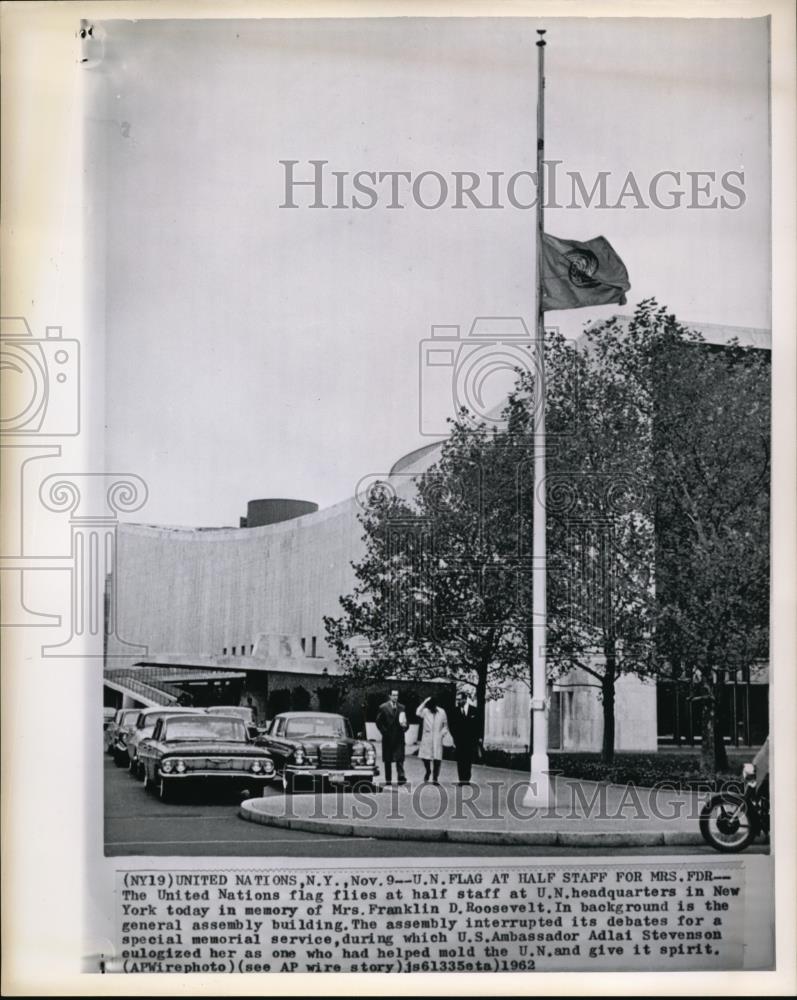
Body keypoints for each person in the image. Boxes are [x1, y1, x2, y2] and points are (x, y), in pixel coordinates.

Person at [375, 688, 408, 785]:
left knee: (399, 758)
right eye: (393, 695)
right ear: (389, 696)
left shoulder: (402, 707)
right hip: (388, 737)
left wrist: (404, 728)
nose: (395, 697)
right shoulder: (383, 707)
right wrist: (384, 732)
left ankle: (401, 777)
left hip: (399, 737)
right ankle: (388, 780)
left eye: (397, 695)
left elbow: (406, 721)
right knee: (388, 760)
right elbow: (378, 722)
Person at [448, 689, 480, 785]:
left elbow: (477, 725)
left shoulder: (474, 710)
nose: (458, 702)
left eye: (460, 699)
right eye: (457, 700)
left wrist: (477, 738)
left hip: (470, 740)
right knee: (460, 760)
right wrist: (455, 737)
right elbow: (452, 725)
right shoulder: (455, 711)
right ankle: (462, 779)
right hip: (459, 740)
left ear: (465, 699)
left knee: (468, 759)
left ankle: (467, 778)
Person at [416, 696, 450, 784]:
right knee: (425, 758)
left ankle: (435, 778)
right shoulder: (425, 711)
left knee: (437, 759)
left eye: (433, 708)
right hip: (427, 737)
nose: (431, 710)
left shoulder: (442, 712)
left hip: (437, 738)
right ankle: (428, 771)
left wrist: (442, 734)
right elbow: (417, 712)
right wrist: (424, 702)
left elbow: (445, 726)